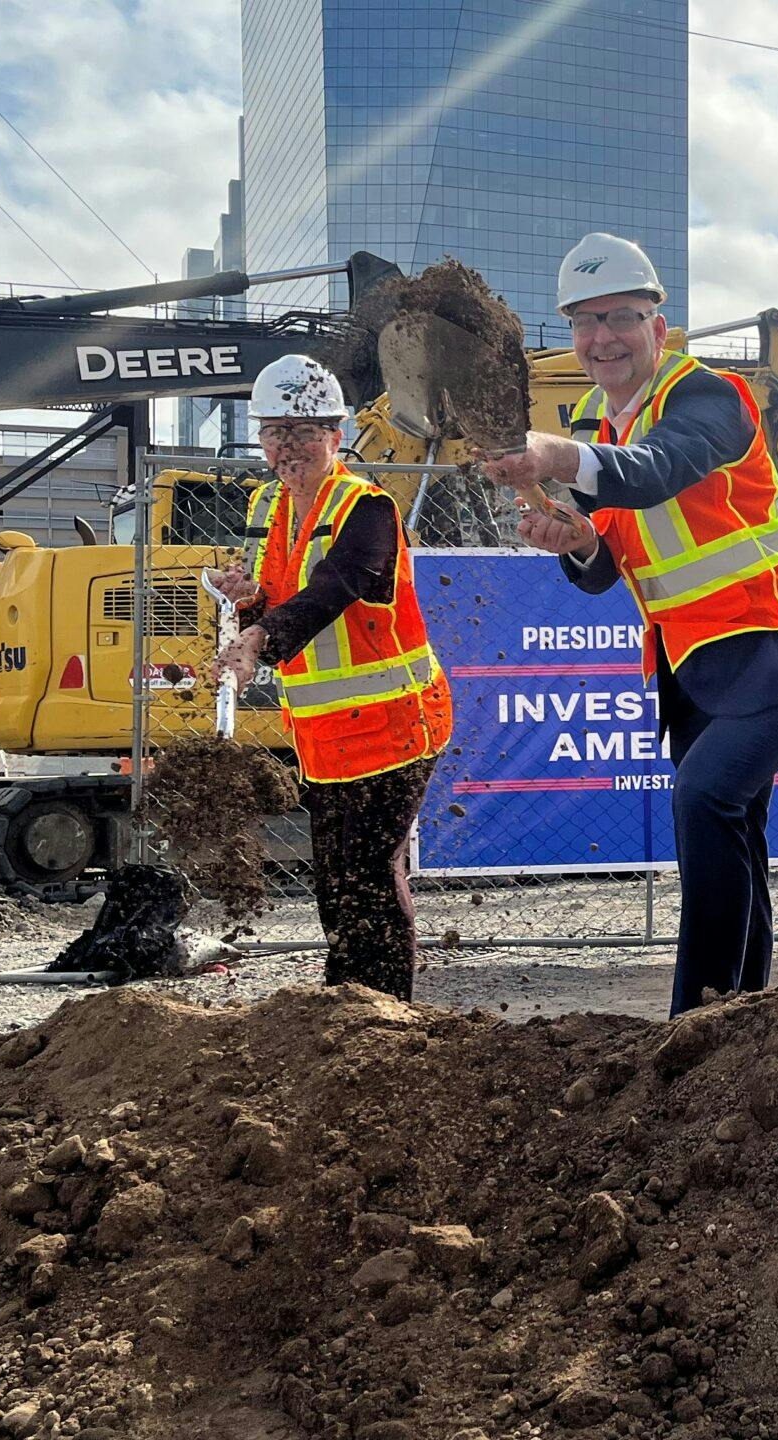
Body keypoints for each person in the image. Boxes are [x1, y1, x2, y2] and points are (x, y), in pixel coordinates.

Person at [485, 233, 778, 1017]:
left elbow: (653, 476)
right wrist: (578, 543)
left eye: (620, 315)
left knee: (704, 800)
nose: (601, 338)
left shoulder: (709, 397)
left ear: (660, 325)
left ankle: (699, 1018)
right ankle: (741, 1016)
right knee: (735, 831)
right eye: (584, 322)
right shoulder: (602, 427)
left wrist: (554, 454)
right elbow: (603, 569)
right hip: (700, 673)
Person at [207, 354, 453, 1001]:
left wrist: (259, 636)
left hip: (397, 726)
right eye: (276, 432)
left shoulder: (365, 509)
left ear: (336, 435)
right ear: (262, 440)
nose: (289, 446)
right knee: (336, 878)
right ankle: (348, 1007)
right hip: (331, 738)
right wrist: (250, 601)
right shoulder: (273, 507)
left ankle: (384, 1015)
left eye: (304, 431)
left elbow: (333, 590)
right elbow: (286, 598)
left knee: (368, 873)